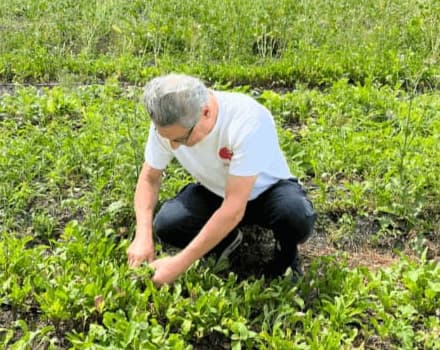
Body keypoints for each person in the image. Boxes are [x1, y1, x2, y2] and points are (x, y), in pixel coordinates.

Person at [127, 73, 316, 286]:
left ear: (206, 112)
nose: (173, 147)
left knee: (295, 216)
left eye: (180, 139)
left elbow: (234, 207)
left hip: (266, 192)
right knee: (168, 224)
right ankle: (227, 240)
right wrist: (142, 234)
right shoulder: (170, 125)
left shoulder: (248, 120)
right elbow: (149, 178)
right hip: (216, 190)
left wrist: (178, 264)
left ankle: (286, 256)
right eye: (167, 138)